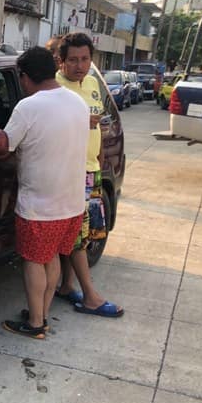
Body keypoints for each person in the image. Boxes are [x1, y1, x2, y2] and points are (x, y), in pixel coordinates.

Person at [0, 46, 89, 339]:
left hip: (40, 205)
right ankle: (42, 313)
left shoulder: (28, 107)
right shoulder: (77, 102)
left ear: (24, 77)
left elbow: (5, 148)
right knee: (50, 257)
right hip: (72, 203)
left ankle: (36, 323)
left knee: (34, 260)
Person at [54, 32, 123, 317]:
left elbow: (100, 124)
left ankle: (67, 286)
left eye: (84, 59)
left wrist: (101, 152)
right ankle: (91, 296)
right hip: (70, 171)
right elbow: (50, 127)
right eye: (73, 60)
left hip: (92, 168)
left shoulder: (93, 83)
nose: (79, 66)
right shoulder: (55, 87)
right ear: (60, 61)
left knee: (85, 233)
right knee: (77, 236)